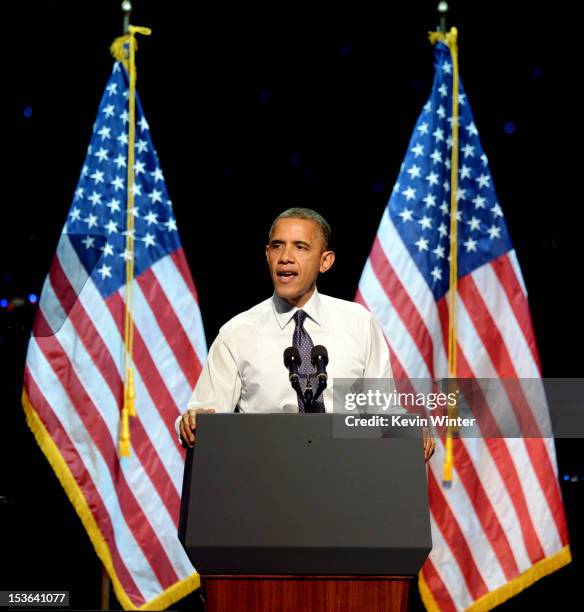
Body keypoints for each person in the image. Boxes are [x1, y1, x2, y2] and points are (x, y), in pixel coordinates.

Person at [177, 207, 434, 461]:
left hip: (348, 475)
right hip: (264, 475)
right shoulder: (237, 333)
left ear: (325, 261)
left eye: (300, 247)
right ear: (267, 254)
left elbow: (383, 409)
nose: (285, 257)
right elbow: (204, 414)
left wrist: (408, 431)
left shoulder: (359, 324)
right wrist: (189, 422)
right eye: (277, 246)